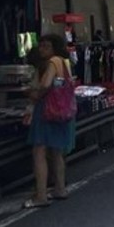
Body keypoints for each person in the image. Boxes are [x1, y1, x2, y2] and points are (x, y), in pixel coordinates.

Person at [23, 34, 76, 208]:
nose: (42, 49)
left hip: (47, 110)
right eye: (41, 46)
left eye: (46, 46)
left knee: (39, 150)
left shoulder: (53, 62)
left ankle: (41, 195)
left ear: (54, 47)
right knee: (56, 151)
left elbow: (46, 84)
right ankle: (60, 188)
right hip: (61, 111)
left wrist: (33, 93)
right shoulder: (63, 61)